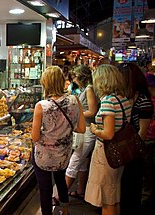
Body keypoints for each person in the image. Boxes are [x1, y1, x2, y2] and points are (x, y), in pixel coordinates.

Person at [31, 66, 85, 215]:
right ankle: (65, 210)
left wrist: (48, 134)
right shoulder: (74, 100)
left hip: (45, 157)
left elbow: (35, 137)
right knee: (61, 180)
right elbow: (81, 129)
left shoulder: (41, 106)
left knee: (45, 187)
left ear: (45, 84)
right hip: (64, 155)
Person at [85, 64, 132, 215]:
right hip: (120, 151)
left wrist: (94, 129)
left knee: (106, 198)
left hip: (106, 152)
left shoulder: (108, 101)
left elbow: (108, 133)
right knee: (113, 193)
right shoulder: (122, 99)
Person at [117, 63, 153, 215]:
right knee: (123, 189)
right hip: (124, 151)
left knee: (131, 189)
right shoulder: (124, 98)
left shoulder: (143, 101)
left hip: (133, 154)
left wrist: (130, 152)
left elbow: (142, 131)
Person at [65, 65, 98, 199]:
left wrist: (76, 114)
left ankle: (59, 195)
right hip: (85, 128)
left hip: (88, 129)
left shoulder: (89, 89)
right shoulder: (84, 89)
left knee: (74, 161)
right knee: (82, 163)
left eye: (75, 77)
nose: (74, 80)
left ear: (81, 77)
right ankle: (80, 190)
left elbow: (92, 111)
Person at [143, 72, 155, 213]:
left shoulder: (145, 100)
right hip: (149, 137)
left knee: (147, 172)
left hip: (148, 138)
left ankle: (146, 201)